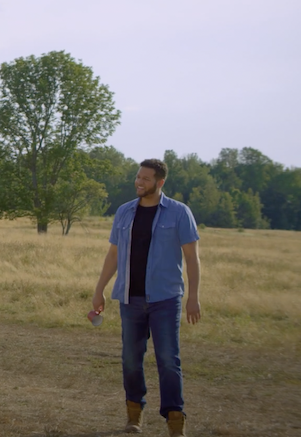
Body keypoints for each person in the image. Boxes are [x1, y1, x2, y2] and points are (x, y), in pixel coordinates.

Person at [92, 159, 201, 437]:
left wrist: (193, 297)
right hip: (130, 299)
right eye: (138, 177)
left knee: (168, 360)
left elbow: (192, 258)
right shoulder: (124, 212)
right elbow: (113, 255)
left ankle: (175, 422)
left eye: (146, 179)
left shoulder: (179, 213)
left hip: (166, 299)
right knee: (130, 359)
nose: (139, 182)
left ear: (160, 182)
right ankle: (134, 416)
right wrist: (100, 288)